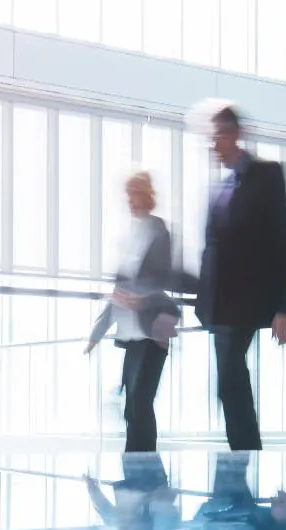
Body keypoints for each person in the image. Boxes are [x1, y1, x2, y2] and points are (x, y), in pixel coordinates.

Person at [195, 106, 286, 451]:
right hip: (219, 306)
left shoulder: (266, 175)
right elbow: (211, 248)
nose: (213, 147)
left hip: (248, 300)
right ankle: (243, 456)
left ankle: (245, 456)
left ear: (233, 134)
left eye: (216, 138)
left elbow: (282, 239)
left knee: (229, 381)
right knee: (229, 384)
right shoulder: (219, 188)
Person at [86, 171, 181, 453]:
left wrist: (144, 298)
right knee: (132, 402)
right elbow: (119, 289)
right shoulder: (128, 235)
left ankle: (146, 469)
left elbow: (163, 278)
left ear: (146, 196)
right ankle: (136, 467)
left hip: (152, 330)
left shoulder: (158, 230)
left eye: (134, 196)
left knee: (140, 399)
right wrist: (97, 332)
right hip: (131, 334)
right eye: (128, 197)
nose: (130, 202)